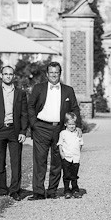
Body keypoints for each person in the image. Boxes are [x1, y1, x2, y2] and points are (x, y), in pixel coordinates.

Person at [28, 62, 82, 200]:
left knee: (57, 161)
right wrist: (34, 124)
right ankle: (39, 192)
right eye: (51, 72)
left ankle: (52, 191)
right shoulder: (38, 88)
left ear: (60, 73)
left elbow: (75, 108)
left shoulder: (68, 90)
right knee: (40, 161)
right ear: (47, 74)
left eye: (56, 72)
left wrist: (78, 126)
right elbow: (31, 107)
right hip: (41, 127)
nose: (53, 75)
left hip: (59, 129)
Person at [0, 65, 28, 200]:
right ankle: (2, 189)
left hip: (14, 130)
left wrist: (23, 131)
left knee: (16, 161)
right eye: (5, 74)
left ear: (14, 76)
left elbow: (24, 114)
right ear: (1, 76)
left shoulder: (20, 93)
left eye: (10, 74)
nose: (8, 76)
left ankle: (15, 190)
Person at [57, 112, 84, 199]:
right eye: (70, 124)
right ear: (65, 124)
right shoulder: (63, 133)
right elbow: (60, 144)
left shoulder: (78, 133)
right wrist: (62, 154)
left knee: (74, 175)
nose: (72, 126)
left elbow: (80, 144)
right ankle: (67, 190)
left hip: (75, 158)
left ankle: (75, 190)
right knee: (66, 175)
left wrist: (78, 153)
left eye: (73, 124)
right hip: (66, 157)